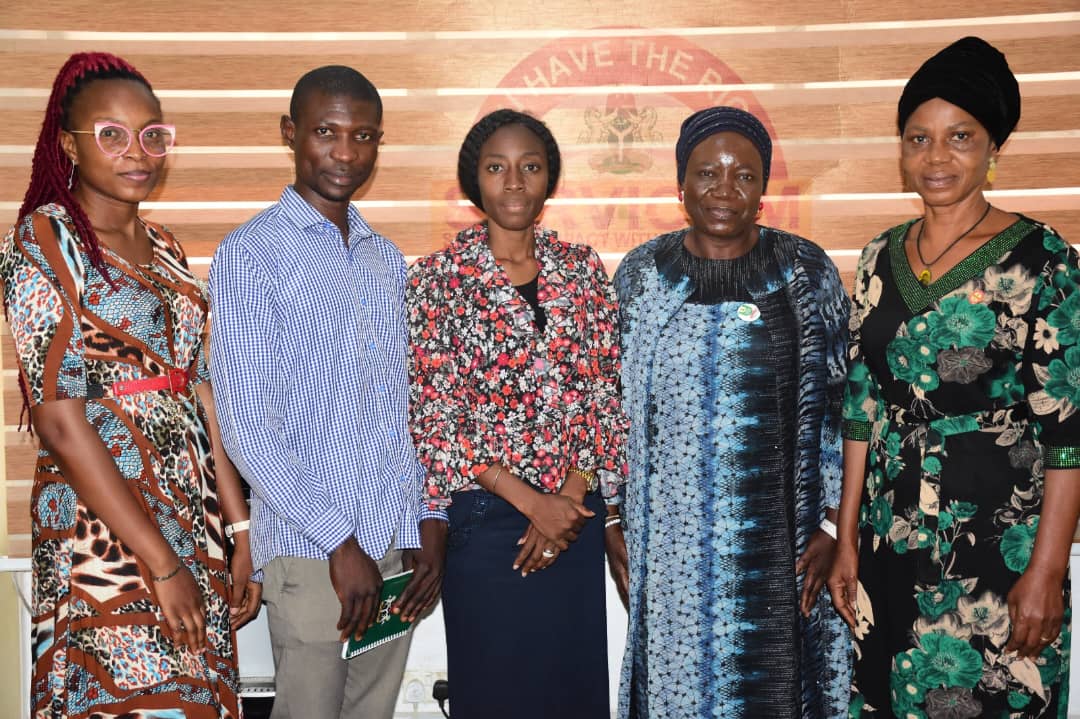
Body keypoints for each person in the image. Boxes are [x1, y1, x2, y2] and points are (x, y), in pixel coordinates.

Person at [0, 52, 260, 718]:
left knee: (196, 698)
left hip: (190, 513)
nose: (137, 151)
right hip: (104, 528)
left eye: (153, 134)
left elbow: (201, 390)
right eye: (111, 134)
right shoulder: (44, 241)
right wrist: (162, 564)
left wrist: (238, 529)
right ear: (68, 143)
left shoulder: (167, 246)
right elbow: (60, 418)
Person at [827, 37, 1080, 718]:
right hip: (889, 538)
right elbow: (861, 402)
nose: (936, 156)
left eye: (959, 136)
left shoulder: (1043, 257)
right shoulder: (879, 255)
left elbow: (1070, 430)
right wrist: (847, 537)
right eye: (919, 138)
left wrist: (1048, 571)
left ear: (993, 147)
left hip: (1000, 551)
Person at [208, 66, 447, 719]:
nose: (346, 152)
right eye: (327, 132)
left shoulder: (386, 259)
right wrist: (339, 542)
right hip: (316, 557)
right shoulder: (251, 254)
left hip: (392, 550)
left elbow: (408, 412)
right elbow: (247, 426)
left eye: (364, 135)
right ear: (291, 134)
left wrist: (428, 526)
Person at [611, 106, 852, 718]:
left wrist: (830, 525)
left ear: (764, 189)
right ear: (681, 185)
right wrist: (611, 522)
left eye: (743, 176)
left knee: (778, 690)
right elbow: (613, 409)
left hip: (785, 545)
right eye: (706, 173)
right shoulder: (641, 276)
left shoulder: (806, 272)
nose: (724, 190)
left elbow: (840, 405)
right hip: (669, 550)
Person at [406, 108, 629, 718]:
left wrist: (568, 500)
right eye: (496, 168)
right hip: (485, 524)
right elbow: (433, 415)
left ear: (549, 180)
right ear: (472, 180)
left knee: (571, 691)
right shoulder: (437, 280)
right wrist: (535, 505)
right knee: (497, 693)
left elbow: (604, 397)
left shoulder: (582, 271)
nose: (513, 183)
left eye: (529, 167)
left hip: (575, 518)